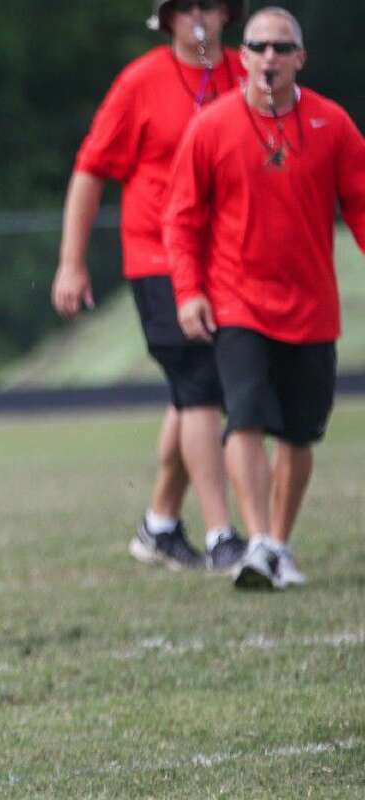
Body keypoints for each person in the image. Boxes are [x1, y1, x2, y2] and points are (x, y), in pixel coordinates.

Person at [164, 7, 365, 589]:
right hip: (237, 303)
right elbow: (180, 221)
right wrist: (189, 293)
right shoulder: (211, 127)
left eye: (282, 48)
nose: (269, 57)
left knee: (300, 435)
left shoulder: (333, 124)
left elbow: (360, 205)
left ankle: (278, 542)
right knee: (245, 418)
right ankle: (255, 543)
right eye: (258, 47)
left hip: (311, 307)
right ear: (242, 56)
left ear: (300, 58)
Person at [51, 0, 248, 574]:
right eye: (184, 7)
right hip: (159, 257)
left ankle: (160, 523)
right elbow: (89, 171)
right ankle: (220, 535)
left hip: (228, 260)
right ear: (166, 20)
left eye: (209, 5)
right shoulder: (141, 83)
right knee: (200, 386)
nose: (198, 17)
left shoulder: (241, 73)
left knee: (192, 397)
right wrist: (71, 261)